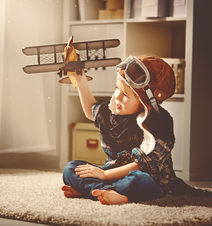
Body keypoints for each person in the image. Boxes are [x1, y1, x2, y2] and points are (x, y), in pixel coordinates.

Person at [61, 54, 178, 205]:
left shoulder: (158, 123)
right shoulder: (113, 113)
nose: (117, 97)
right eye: (117, 89)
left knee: (140, 181)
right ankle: (108, 192)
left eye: (125, 95)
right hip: (113, 174)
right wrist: (80, 78)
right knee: (70, 168)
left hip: (144, 177)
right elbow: (91, 110)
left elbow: (140, 164)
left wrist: (104, 175)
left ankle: (91, 190)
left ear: (145, 103)